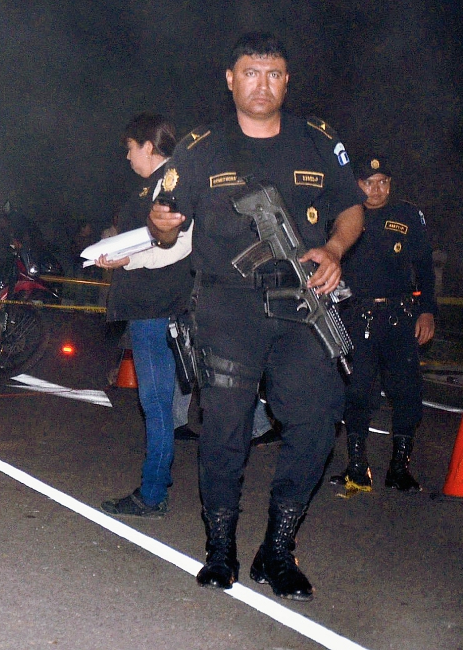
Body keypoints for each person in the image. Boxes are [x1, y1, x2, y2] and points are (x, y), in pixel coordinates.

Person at [148, 33, 364, 600]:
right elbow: (166, 220)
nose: (261, 84)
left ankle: (278, 547)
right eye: (250, 73)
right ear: (230, 78)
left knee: (316, 427)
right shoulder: (201, 146)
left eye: (273, 75)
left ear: (287, 81)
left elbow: (350, 209)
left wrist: (336, 251)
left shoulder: (318, 141)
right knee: (223, 433)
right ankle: (221, 549)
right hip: (227, 307)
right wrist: (164, 225)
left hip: (302, 304)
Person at [97, 114, 194, 518]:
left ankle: (153, 494)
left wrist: (125, 261)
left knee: (155, 405)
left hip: (157, 308)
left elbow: (178, 247)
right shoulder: (152, 187)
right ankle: (155, 486)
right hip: (148, 307)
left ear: (149, 147)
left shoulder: (170, 182)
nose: (127, 156)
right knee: (157, 404)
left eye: (130, 148)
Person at [330, 154, 436, 493]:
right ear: (356, 184)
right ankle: (357, 468)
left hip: (400, 317)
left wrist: (427, 310)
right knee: (358, 390)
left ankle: (399, 469)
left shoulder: (408, 215)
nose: (376, 189)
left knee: (407, 393)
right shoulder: (344, 216)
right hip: (356, 316)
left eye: (383, 182)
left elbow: (424, 267)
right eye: (368, 182)